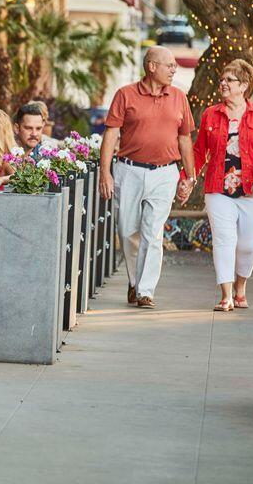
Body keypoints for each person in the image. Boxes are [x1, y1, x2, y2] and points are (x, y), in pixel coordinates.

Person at [99, 46, 196, 309]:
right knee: (128, 231)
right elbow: (111, 135)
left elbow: (185, 138)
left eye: (175, 66)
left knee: (153, 234)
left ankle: (145, 291)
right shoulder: (125, 94)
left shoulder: (179, 97)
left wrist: (190, 176)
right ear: (151, 66)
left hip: (165, 173)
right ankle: (134, 282)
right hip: (128, 170)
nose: (174, 70)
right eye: (170, 65)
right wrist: (104, 172)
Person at [177, 59, 253, 312]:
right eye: (222, 79)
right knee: (223, 240)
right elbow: (199, 152)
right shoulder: (212, 113)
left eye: (229, 80)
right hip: (218, 189)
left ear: (243, 86)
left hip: (252, 191)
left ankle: (240, 287)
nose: (222, 83)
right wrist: (187, 178)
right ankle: (226, 295)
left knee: (246, 244)